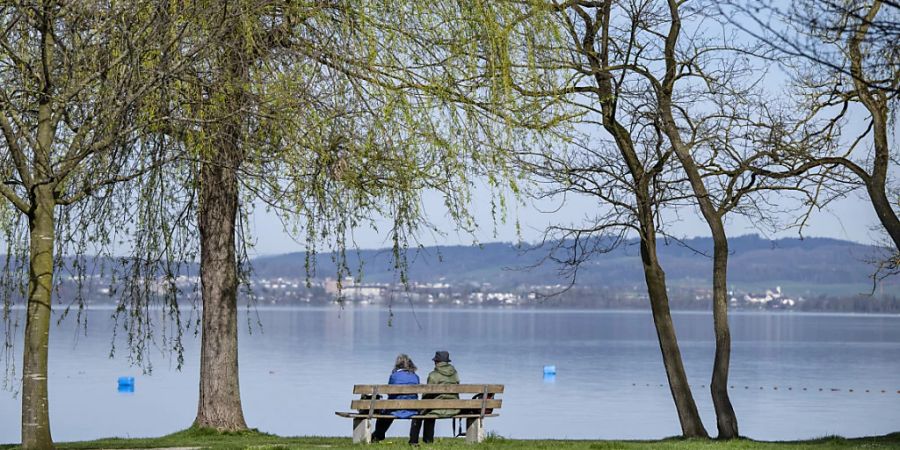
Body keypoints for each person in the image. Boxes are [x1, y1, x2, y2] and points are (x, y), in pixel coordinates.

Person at [410, 350, 460, 444]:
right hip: (454, 408)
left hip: (437, 408)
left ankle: (415, 441)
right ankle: (427, 441)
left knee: (421, 413)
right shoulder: (455, 374)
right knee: (429, 410)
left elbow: (427, 395)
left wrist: (422, 407)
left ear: (437, 362)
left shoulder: (433, 375)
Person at [372, 354, 420, 443]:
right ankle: (413, 441)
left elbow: (389, 392)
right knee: (389, 409)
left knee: (385, 412)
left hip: (395, 408)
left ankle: (378, 436)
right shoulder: (415, 376)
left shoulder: (394, 376)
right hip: (412, 409)